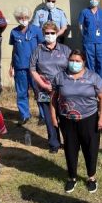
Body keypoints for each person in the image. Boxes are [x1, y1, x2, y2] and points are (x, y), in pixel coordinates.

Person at [51, 50, 102, 194]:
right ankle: (72, 178)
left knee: (91, 148)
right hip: (67, 119)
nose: (74, 63)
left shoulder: (93, 77)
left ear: (83, 62)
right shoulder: (60, 77)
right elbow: (53, 98)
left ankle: (91, 177)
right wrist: (53, 117)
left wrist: (101, 117)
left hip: (89, 119)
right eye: (72, 60)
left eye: (77, 61)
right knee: (70, 149)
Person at [30, 22, 70, 153]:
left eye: (52, 33)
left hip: (64, 90)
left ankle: (69, 143)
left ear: (56, 33)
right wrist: (42, 84)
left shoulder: (65, 49)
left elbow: (73, 67)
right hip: (44, 90)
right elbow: (32, 69)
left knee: (65, 117)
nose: (50, 35)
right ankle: (54, 144)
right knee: (49, 118)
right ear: (43, 34)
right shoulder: (38, 50)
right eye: (47, 33)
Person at [9, 6, 44, 126]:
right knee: (21, 92)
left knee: (39, 91)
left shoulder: (36, 30)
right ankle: (24, 115)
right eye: (20, 18)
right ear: (17, 18)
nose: (23, 19)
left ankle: (43, 115)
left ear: (29, 18)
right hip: (20, 67)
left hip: (35, 67)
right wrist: (11, 65)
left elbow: (41, 47)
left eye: (26, 17)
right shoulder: (14, 32)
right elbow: (14, 50)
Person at [79, 0, 102, 83]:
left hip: (100, 42)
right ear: (89, 0)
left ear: (99, 0)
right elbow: (80, 25)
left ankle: (101, 84)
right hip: (88, 42)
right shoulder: (84, 12)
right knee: (90, 64)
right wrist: (86, 35)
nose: (94, 1)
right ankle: (91, 83)